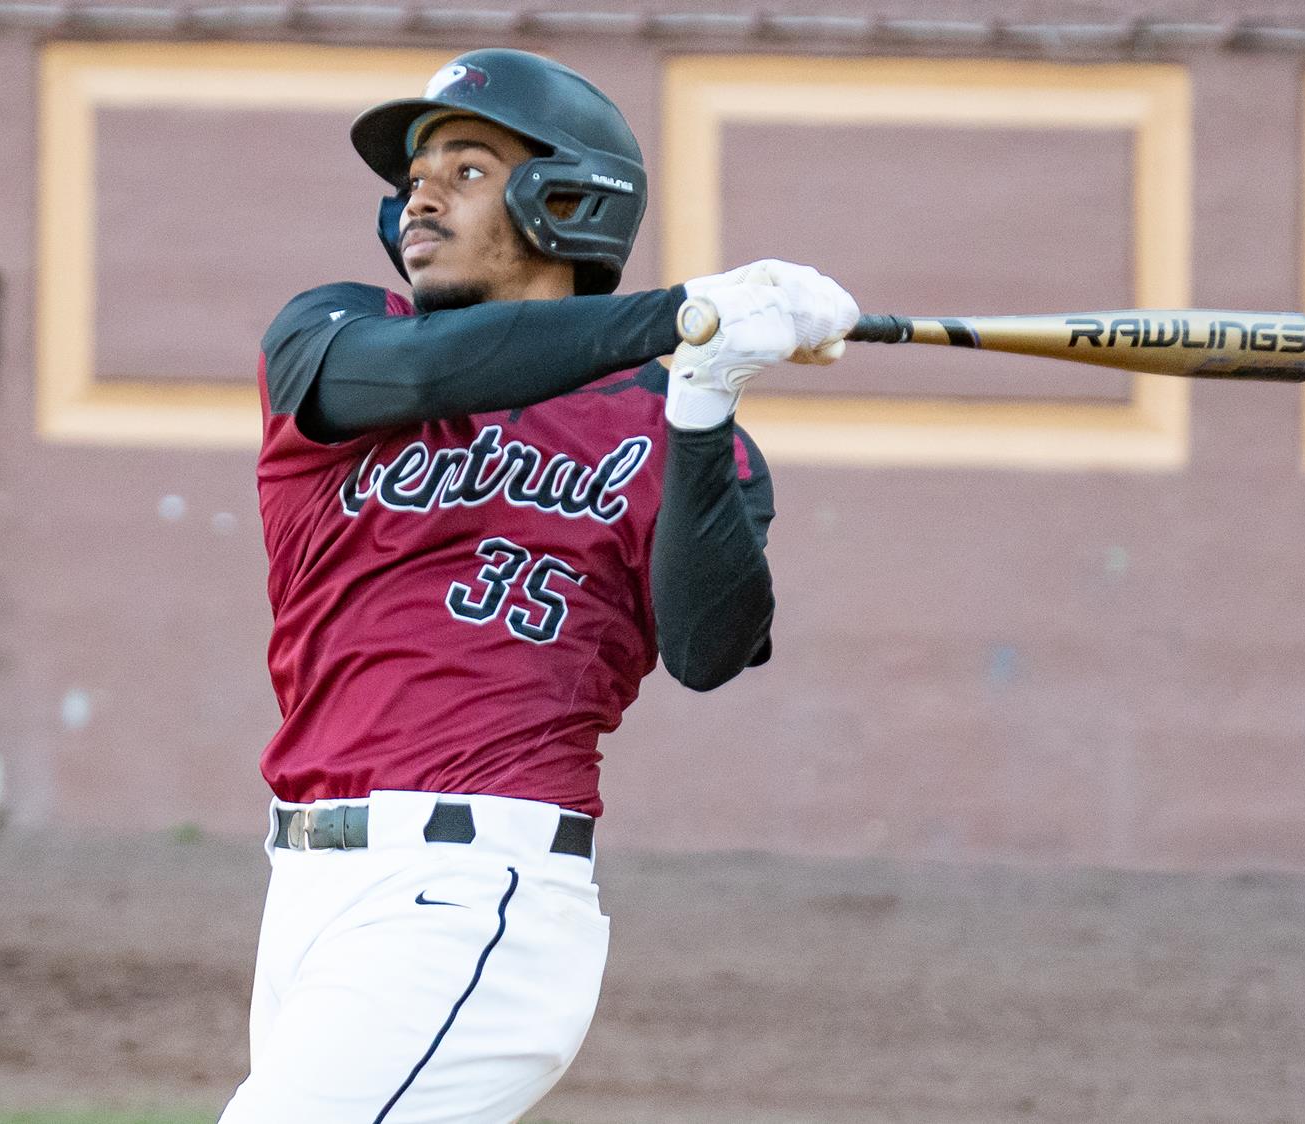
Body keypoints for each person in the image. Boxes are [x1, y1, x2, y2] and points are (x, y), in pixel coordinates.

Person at [221, 48, 858, 1123]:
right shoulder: (334, 336)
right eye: (413, 176)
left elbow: (708, 648)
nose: (419, 191)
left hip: (471, 897)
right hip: (307, 891)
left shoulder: (671, 423)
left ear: (564, 203)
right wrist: (676, 315)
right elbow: (427, 370)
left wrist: (699, 409)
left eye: (465, 169)